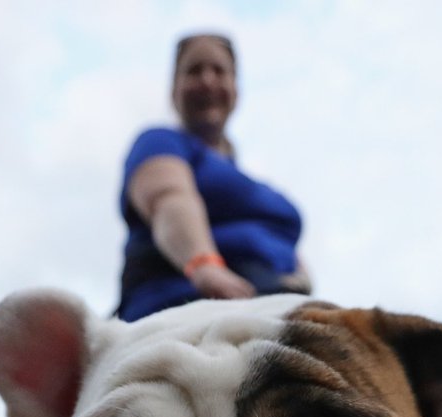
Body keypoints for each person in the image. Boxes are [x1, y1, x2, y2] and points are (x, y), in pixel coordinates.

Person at [115, 32, 310, 322]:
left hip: (276, 309)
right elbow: (170, 199)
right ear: (173, 90)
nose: (208, 80)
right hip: (188, 305)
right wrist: (204, 265)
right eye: (194, 71)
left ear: (235, 89)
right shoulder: (160, 141)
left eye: (219, 71)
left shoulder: (253, 186)